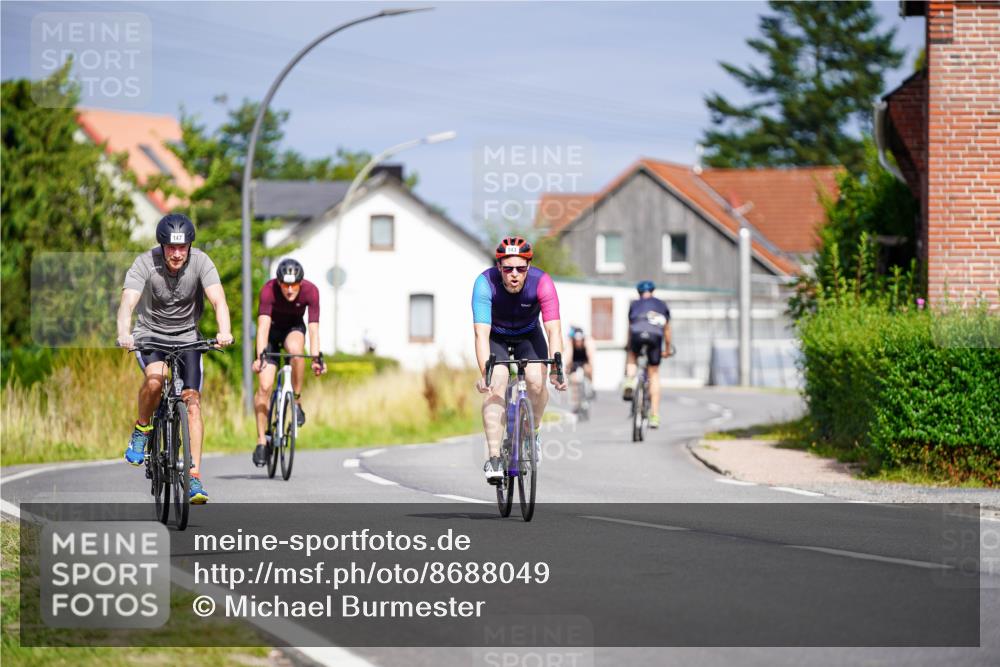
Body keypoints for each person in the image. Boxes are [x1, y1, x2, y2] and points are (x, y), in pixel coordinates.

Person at [116, 213, 234, 504]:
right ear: (162, 246)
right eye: (171, 247)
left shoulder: (202, 262)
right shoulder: (145, 262)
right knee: (156, 380)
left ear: (190, 246)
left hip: (188, 337)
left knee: (192, 402)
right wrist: (124, 332)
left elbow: (218, 300)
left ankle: (193, 477)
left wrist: (225, 331)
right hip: (151, 336)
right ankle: (143, 429)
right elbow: (127, 302)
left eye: (182, 248)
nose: (177, 253)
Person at [472, 236, 567, 484]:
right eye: (508, 269)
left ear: (529, 267)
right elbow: (481, 334)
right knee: (497, 384)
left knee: (536, 381)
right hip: (497, 337)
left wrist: (557, 367)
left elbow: (554, 330)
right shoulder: (485, 283)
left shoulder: (542, 282)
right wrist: (486, 373)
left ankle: (532, 432)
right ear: (499, 267)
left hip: (529, 335)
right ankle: (494, 458)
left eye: (521, 268)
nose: (514, 274)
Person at [251, 258, 326, 467]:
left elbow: (313, 328)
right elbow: (263, 327)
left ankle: (297, 399)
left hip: (293, 330)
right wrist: (260, 357)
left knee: (295, 351)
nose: (290, 289)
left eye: (294, 285)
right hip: (271, 334)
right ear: (278, 282)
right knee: (264, 387)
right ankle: (261, 441)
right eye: (286, 285)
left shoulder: (311, 291)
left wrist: (316, 357)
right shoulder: (268, 290)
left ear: (301, 283)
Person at [622, 280, 671, 429]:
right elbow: (667, 330)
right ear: (653, 291)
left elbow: (630, 328)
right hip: (655, 337)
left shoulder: (634, 304)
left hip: (637, 334)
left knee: (632, 354)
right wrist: (667, 349)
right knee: (654, 373)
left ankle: (630, 380)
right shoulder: (662, 305)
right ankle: (655, 415)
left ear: (639, 293)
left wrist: (628, 345)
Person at [567, 325, 597, 406]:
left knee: (588, 369)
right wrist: (567, 370)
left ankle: (591, 387)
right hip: (575, 361)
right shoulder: (570, 342)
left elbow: (590, 357)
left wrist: (590, 366)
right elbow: (569, 358)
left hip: (584, 360)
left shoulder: (587, 342)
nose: (578, 342)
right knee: (573, 379)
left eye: (580, 340)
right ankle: (575, 401)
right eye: (576, 340)